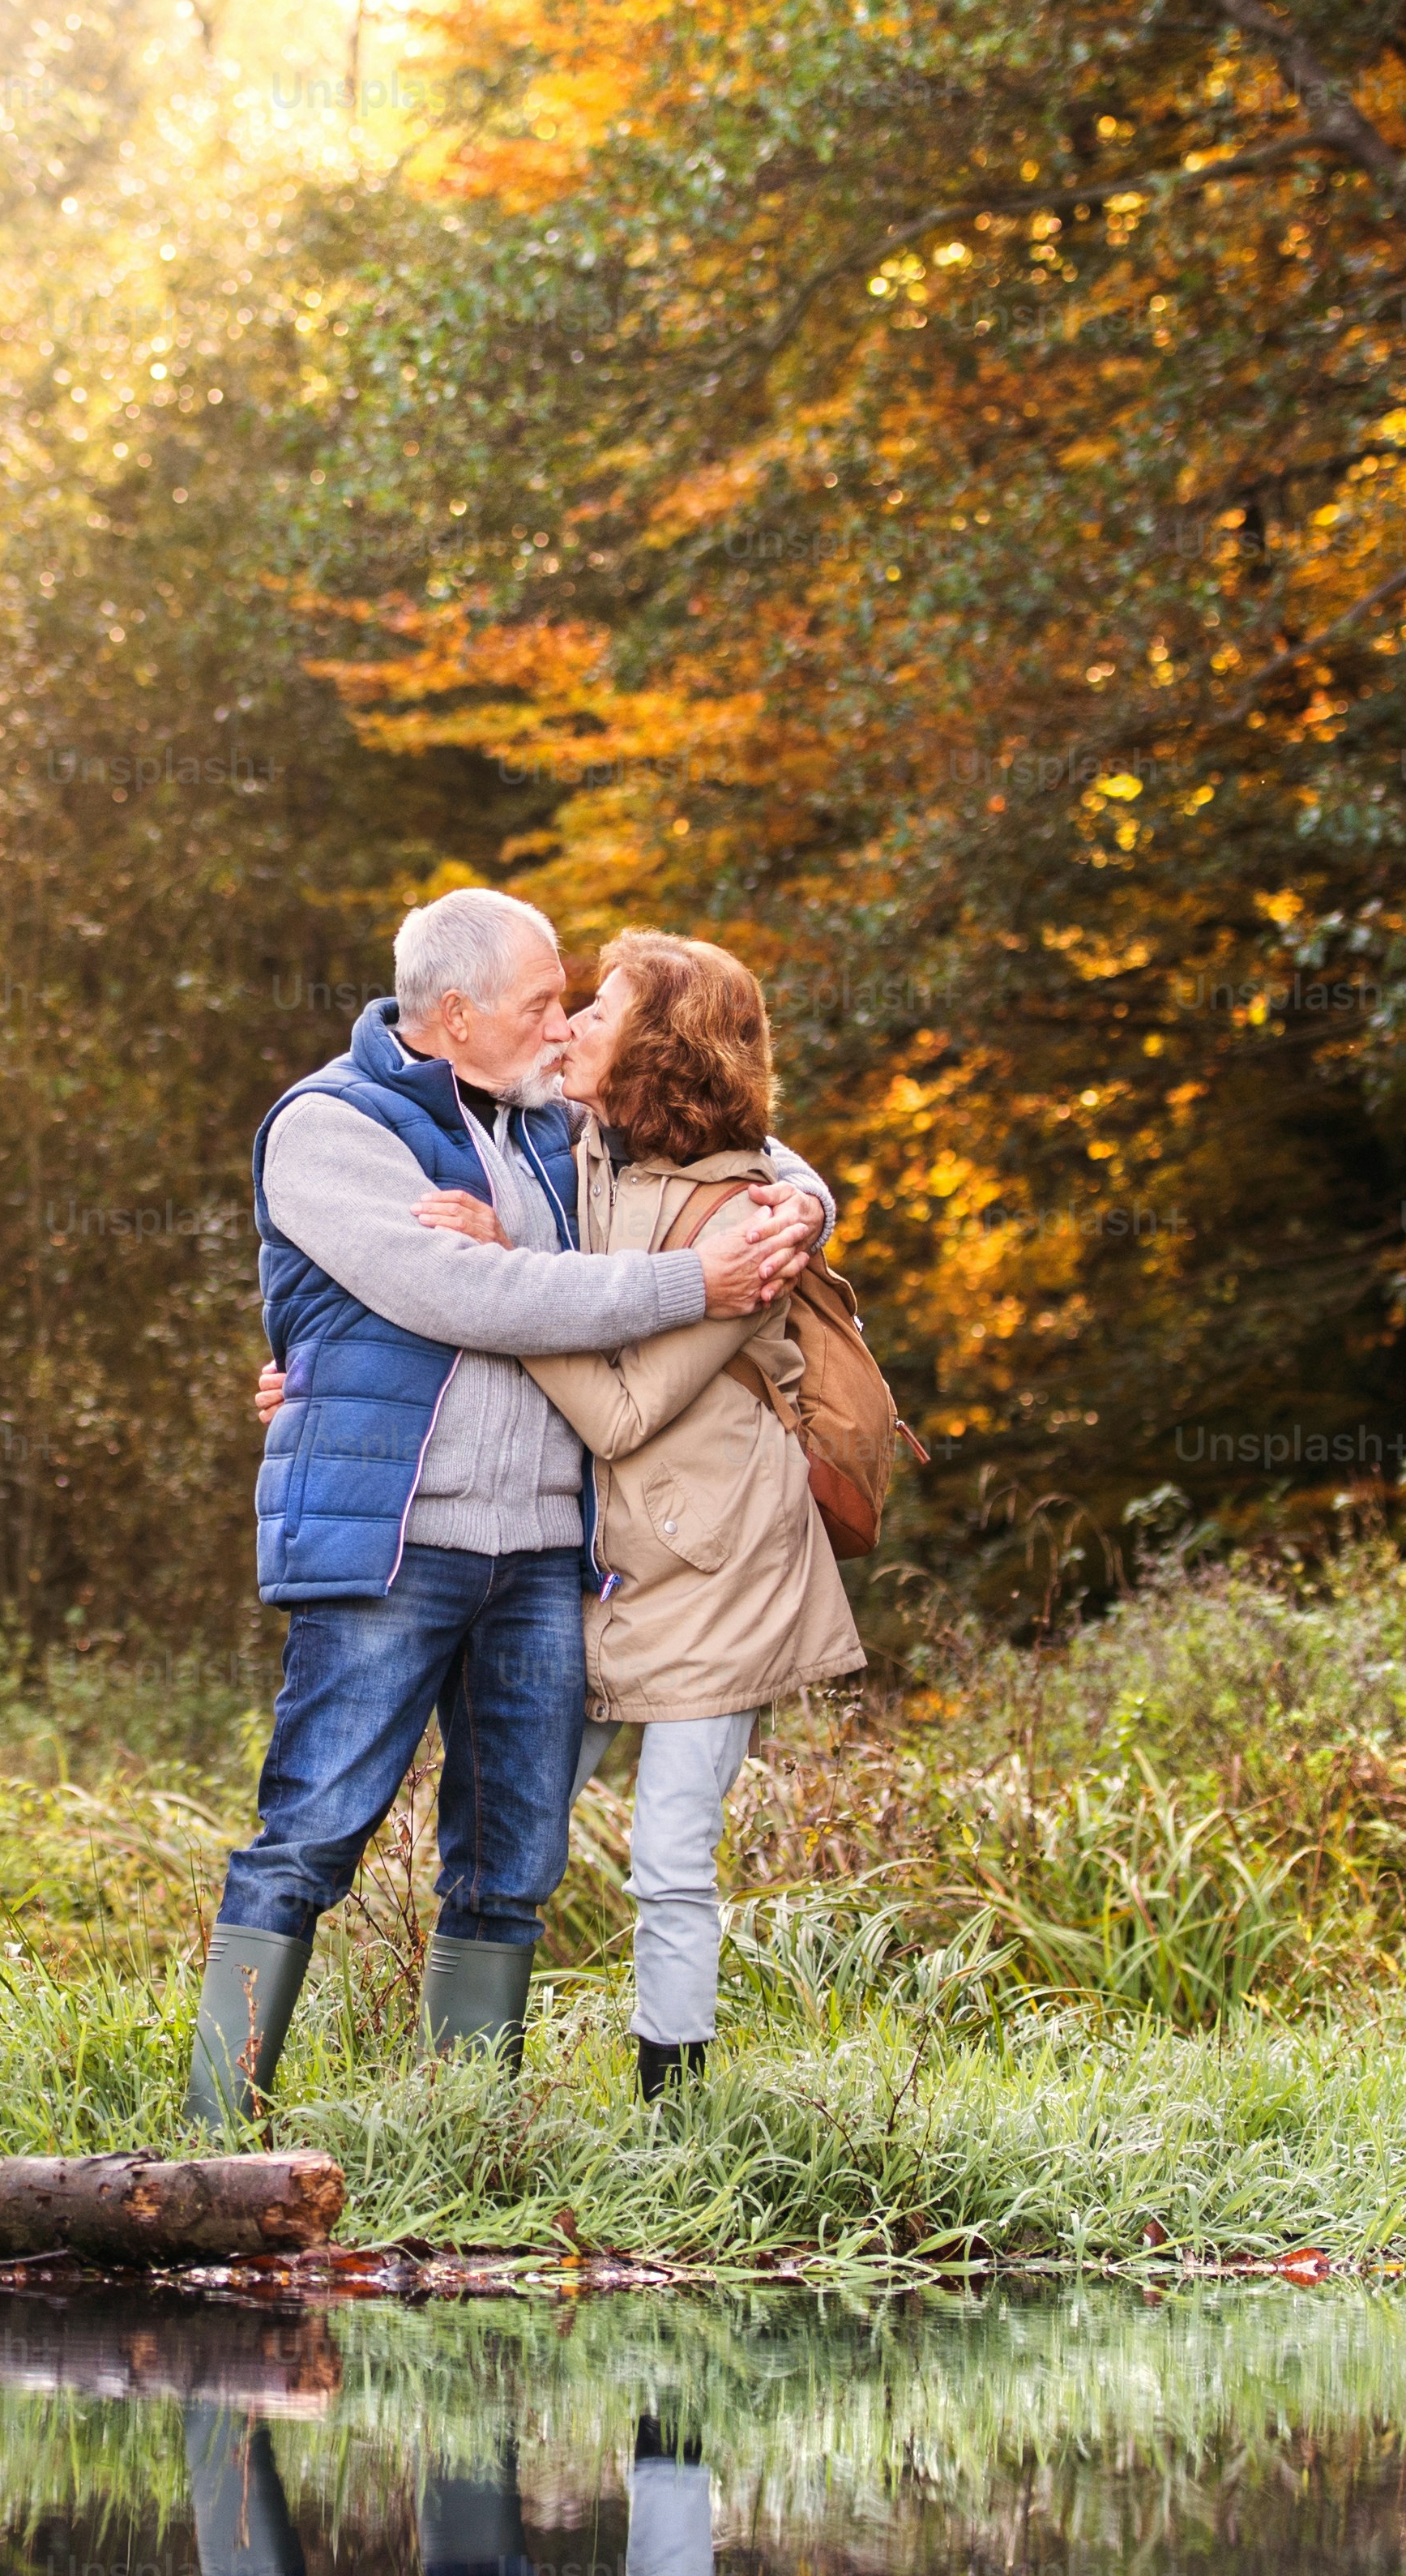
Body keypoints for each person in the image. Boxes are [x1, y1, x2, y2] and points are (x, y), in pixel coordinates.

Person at [187, 888, 827, 2125]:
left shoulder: (547, 1112)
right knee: (311, 1833)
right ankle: (216, 2129)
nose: (563, 1024)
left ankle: (465, 2129)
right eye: (544, 1002)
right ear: (456, 1014)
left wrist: (804, 1207)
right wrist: (691, 1280)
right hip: (395, 1543)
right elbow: (466, 1296)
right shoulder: (331, 1126)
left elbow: (739, 1130)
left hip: (545, 1554)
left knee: (511, 1868)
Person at [412, 931, 862, 2099]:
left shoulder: (744, 1217)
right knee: (516, 1823)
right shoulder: (585, 1145)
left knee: (669, 1858)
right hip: (604, 1562)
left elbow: (620, 1413)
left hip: (722, 1566)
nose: (564, 1028)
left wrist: (502, 1284)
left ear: (655, 1050)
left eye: (595, 1013)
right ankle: (467, 2098)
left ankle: (679, 2127)